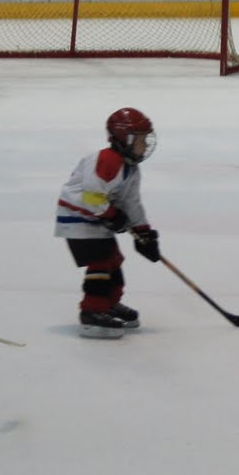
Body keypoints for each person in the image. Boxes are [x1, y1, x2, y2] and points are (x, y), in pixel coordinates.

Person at [55, 108, 162, 338]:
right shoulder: (106, 160)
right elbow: (91, 196)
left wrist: (144, 232)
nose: (145, 145)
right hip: (77, 218)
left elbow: (131, 203)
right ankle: (92, 313)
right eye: (140, 140)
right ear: (125, 139)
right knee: (101, 262)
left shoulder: (131, 169)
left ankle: (108, 304)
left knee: (113, 260)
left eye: (146, 139)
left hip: (96, 218)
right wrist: (112, 215)